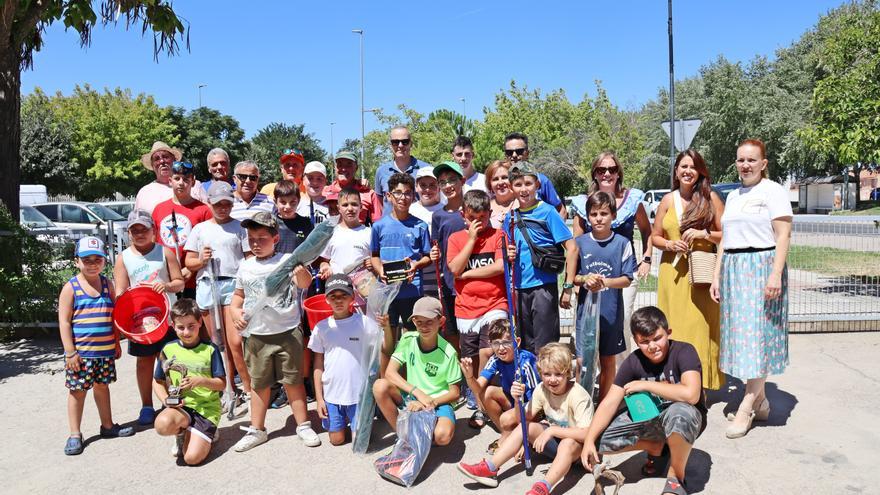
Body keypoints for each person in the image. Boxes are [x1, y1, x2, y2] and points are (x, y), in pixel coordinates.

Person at [711, 139, 793, 439]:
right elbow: (726, 239)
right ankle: (761, 400)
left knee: (759, 335)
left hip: (762, 267)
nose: (745, 165)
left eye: (751, 160)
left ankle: (748, 404)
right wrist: (718, 275)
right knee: (742, 339)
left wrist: (775, 275)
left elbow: (783, 235)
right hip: (735, 268)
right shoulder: (733, 196)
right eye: (741, 160)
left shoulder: (773, 192)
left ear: (763, 163)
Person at [581, 306, 705, 495]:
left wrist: (645, 385)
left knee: (680, 414)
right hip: (650, 419)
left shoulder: (684, 351)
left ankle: (676, 478)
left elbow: (691, 395)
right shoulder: (633, 361)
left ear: (668, 333)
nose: (653, 346)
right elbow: (609, 403)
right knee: (598, 438)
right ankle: (656, 447)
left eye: (657, 338)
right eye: (645, 342)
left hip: (685, 417)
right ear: (636, 341)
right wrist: (589, 439)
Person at [230, 211, 319, 451]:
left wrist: (302, 274)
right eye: (251, 238)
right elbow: (237, 297)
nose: (256, 243)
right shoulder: (245, 266)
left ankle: (303, 424)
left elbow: (304, 284)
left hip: (287, 332)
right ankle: (257, 429)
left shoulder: (288, 260)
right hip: (256, 336)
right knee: (259, 385)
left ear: (275, 238)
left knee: (293, 380)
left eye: (262, 237)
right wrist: (235, 313)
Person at [458, 343, 592, 495]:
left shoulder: (578, 395)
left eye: (558, 374)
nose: (552, 380)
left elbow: (587, 434)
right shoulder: (542, 389)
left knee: (567, 443)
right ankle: (490, 467)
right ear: (540, 373)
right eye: (547, 374)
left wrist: (552, 430)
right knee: (526, 426)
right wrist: (517, 400)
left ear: (568, 373)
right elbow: (521, 419)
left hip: (579, 451)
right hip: (555, 443)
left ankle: (543, 488)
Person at [650, 149, 725, 391]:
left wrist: (704, 233)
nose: (687, 171)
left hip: (701, 275)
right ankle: (674, 382)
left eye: (693, 167)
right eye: (683, 166)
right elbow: (655, 237)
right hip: (672, 275)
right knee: (674, 329)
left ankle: (701, 386)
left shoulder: (710, 198)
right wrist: (670, 243)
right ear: (676, 171)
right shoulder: (667, 200)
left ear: (700, 171)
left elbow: (726, 235)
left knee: (700, 329)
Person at [58, 236, 134, 456]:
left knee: (103, 388)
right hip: (80, 355)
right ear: (76, 261)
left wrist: (117, 340)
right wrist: (70, 351)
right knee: (77, 392)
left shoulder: (106, 284)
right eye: (86, 259)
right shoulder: (70, 288)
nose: (92, 264)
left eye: (97, 259)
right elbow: (64, 321)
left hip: (105, 351)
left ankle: (107, 425)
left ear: (104, 261)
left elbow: (114, 315)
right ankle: (74, 434)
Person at [572, 152, 653, 355]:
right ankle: (596, 375)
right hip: (591, 275)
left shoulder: (632, 199)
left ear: (618, 173)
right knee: (592, 324)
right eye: (601, 170)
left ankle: (620, 374)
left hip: (623, 273)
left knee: (622, 321)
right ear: (595, 174)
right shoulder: (584, 204)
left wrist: (647, 258)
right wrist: (574, 281)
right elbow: (576, 245)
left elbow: (646, 230)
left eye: (612, 169)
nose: (607, 173)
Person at [114, 210, 185, 426]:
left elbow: (179, 282)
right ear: (129, 233)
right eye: (134, 230)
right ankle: (146, 405)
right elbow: (120, 292)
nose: (139, 233)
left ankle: (173, 400)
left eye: (143, 229)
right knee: (144, 363)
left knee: (171, 361)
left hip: (167, 318)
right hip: (140, 323)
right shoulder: (123, 258)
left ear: (153, 230)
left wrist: (165, 286)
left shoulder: (165, 253)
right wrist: (131, 297)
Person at [447, 189, 509, 427]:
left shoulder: (498, 235)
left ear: (489, 214)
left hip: (495, 303)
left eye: (482, 217)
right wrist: (471, 240)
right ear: (464, 215)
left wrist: (468, 273)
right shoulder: (456, 239)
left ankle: (486, 402)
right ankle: (479, 403)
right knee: (470, 358)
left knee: (488, 352)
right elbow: (454, 268)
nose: (478, 222)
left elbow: (499, 266)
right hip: (466, 309)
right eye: (473, 217)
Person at [183, 181, 251, 395]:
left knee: (236, 341)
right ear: (210, 203)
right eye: (218, 204)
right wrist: (201, 259)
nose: (223, 208)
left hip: (232, 285)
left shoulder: (240, 227)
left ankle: (249, 389)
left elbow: (249, 258)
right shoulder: (200, 229)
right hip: (207, 284)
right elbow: (189, 262)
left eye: (227, 204)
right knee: (217, 344)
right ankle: (228, 387)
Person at [308, 275, 393, 446]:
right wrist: (319, 398)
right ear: (327, 300)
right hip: (332, 394)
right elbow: (318, 365)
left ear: (352, 298)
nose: (338, 301)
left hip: (358, 394)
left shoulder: (364, 323)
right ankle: (343, 423)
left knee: (360, 442)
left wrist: (387, 327)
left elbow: (386, 348)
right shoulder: (321, 328)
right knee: (336, 440)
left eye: (343, 296)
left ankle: (359, 420)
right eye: (333, 297)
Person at [503, 162, 578, 354]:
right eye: (518, 184)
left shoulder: (547, 212)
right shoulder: (509, 217)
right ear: (511, 187)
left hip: (543, 288)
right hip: (518, 289)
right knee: (524, 347)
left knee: (546, 348)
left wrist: (567, 287)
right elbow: (505, 251)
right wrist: (508, 254)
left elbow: (571, 248)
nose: (523, 189)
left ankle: (548, 383)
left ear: (537, 185)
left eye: (528, 183)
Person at [570, 192, 637, 401]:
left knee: (608, 361)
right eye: (594, 214)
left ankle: (604, 405)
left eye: (604, 214)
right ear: (587, 217)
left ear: (613, 216)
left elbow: (627, 278)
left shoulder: (622, 243)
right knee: (583, 361)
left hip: (611, 314)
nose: (599, 218)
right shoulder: (579, 243)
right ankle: (582, 404)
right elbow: (572, 277)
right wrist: (585, 279)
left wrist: (605, 282)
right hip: (586, 316)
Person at [372, 297, 462, 446]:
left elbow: (455, 393)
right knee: (379, 386)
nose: (423, 327)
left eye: (429, 321)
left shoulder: (449, 352)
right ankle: (405, 436)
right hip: (413, 396)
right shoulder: (408, 339)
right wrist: (418, 394)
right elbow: (390, 373)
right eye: (419, 322)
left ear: (441, 321)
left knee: (442, 437)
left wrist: (429, 402)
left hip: (438, 402)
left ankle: (425, 431)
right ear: (413, 322)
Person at [152, 299, 226, 465]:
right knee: (162, 425)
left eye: (191, 326)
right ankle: (181, 433)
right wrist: (166, 401)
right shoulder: (168, 349)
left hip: (206, 409)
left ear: (200, 322)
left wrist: (200, 381)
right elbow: (157, 381)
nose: (186, 332)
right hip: (181, 407)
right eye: (180, 327)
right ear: (173, 326)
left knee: (191, 459)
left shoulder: (210, 349)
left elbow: (221, 384)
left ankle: (209, 433)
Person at [460, 319, 540, 451]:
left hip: (532, 405)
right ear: (490, 344)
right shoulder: (495, 360)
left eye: (506, 342)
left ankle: (523, 437)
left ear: (517, 342)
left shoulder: (526, 361)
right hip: (513, 399)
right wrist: (469, 376)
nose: (501, 348)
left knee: (506, 419)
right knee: (487, 392)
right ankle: (507, 434)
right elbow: (478, 387)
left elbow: (538, 397)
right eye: (496, 343)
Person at [370, 173, 432, 335]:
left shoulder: (421, 226)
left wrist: (416, 265)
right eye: (398, 192)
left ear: (413, 197)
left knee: (412, 336)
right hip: (386, 291)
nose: (402, 197)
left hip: (412, 290)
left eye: (407, 193)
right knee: (386, 337)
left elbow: (428, 257)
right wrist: (380, 270)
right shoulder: (378, 226)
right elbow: (374, 255)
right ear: (389, 196)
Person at [152, 161, 212, 299]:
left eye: (186, 179)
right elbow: (154, 243)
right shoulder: (159, 209)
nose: (181, 183)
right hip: (166, 281)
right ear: (170, 181)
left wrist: (191, 269)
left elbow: (208, 246)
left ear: (193, 181)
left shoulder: (203, 210)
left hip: (193, 280)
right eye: (177, 178)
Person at [430, 161, 467, 347]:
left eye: (452, 180)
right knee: (452, 332)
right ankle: (458, 371)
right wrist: (434, 253)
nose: (448, 186)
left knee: (471, 331)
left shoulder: (473, 209)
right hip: (449, 282)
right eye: (443, 182)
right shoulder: (438, 216)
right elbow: (437, 246)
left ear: (463, 181)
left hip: (471, 279)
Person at [503, 133, 565, 218]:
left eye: (519, 151)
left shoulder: (541, 180)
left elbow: (561, 211)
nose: (514, 155)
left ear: (527, 153)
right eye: (509, 152)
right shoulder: (500, 183)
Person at [135, 141, 205, 214]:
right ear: (152, 165)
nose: (162, 161)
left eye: (165, 157)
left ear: (174, 160)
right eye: (157, 159)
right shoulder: (144, 193)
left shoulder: (194, 185)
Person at [317, 187, 372, 277]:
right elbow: (324, 260)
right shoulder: (331, 233)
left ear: (361, 207)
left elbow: (377, 259)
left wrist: (373, 262)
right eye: (345, 205)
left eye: (354, 204)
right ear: (339, 208)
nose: (350, 208)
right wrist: (325, 266)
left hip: (364, 286)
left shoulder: (369, 233)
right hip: (338, 286)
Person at [374, 126, 431, 211]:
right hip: (390, 223)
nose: (400, 145)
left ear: (411, 144)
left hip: (419, 223)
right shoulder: (381, 171)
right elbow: (379, 203)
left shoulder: (427, 169)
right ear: (390, 145)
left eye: (405, 142)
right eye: (395, 142)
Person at [324, 151, 383, 225]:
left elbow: (378, 224)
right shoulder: (324, 192)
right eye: (339, 164)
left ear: (356, 168)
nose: (343, 169)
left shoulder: (368, 193)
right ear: (335, 167)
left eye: (348, 165)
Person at [485, 160, 517, 228]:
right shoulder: (485, 206)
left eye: (504, 177)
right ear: (490, 184)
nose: (500, 182)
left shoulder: (523, 203)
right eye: (495, 179)